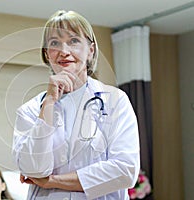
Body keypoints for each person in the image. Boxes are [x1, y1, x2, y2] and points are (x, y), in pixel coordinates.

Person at [12, 10, 140, 199]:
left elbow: (125, 170)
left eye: (73, 41)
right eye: (55, 43)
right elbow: (34, 168)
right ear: (47, 54)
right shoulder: (30, 110)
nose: (64, 51)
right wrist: (48, 104)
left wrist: (53, 182)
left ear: (91, 50)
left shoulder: (115, 101)